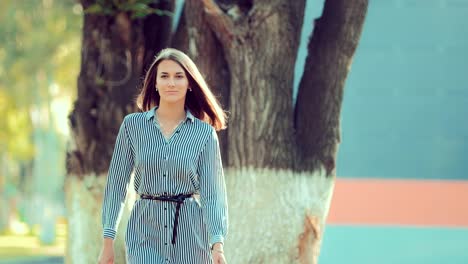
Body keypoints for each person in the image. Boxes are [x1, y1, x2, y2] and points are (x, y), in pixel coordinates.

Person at [98, 48, 228, 264]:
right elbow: (116, 185)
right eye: (164, 76)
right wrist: (108, 241)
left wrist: (217, 245)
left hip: (191, 237)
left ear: (190, 84)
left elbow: (212, 194)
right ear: (155, 83)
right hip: (144, 234)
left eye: (179, 77)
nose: (171, 83)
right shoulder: (133, 126)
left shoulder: (204, 134)